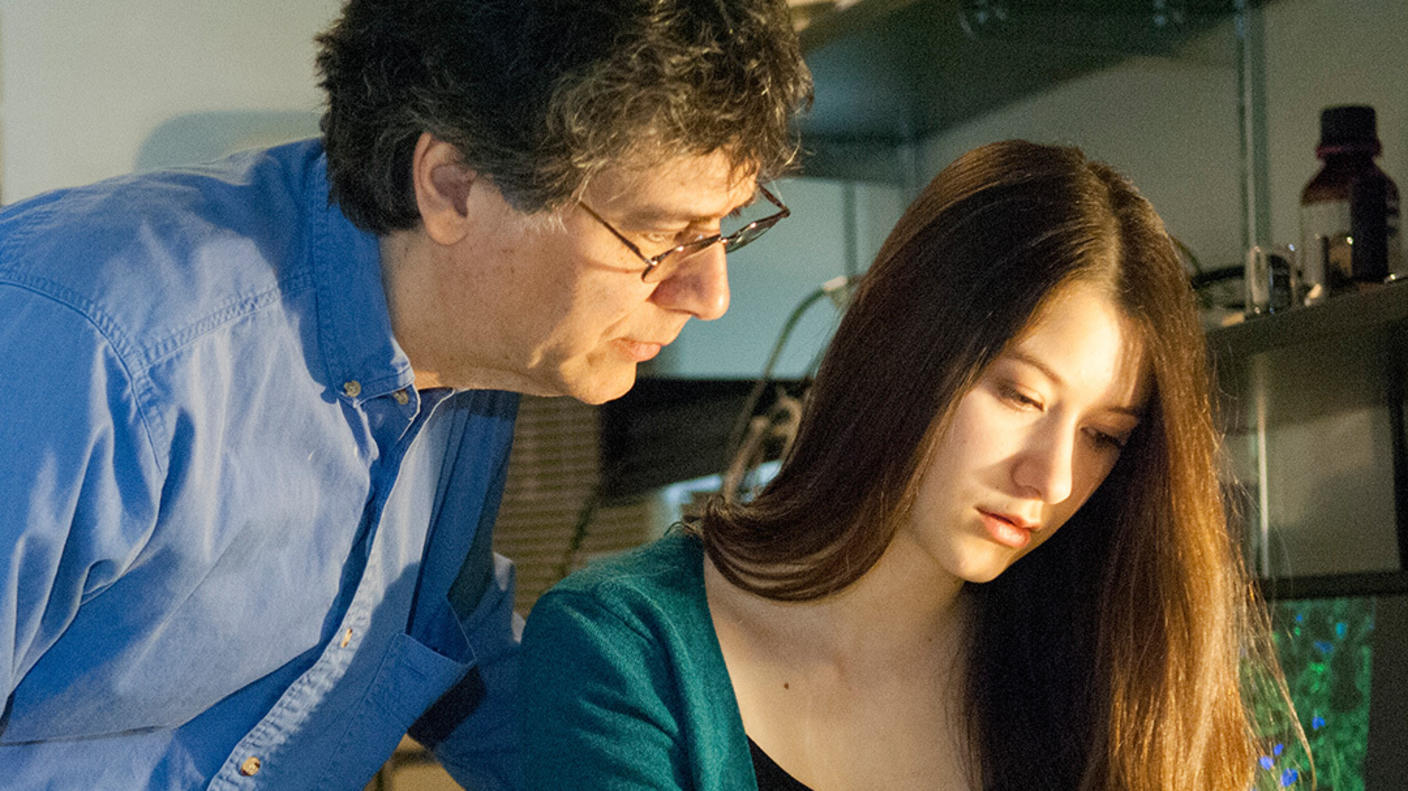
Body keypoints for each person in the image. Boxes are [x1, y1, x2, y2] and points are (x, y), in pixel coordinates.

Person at [0, 1, 811, 788]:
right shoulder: (103, 357)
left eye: (727, 228)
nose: (709, 293)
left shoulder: (468, 371)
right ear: (453, 188)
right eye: (667, 234)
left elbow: (450, 641)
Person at [518, 140, 1303, 790]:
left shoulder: (1100, 674)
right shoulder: (623, 652)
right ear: (905, 353)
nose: (1053, 478)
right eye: (1021, 396)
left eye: (1103, 435)